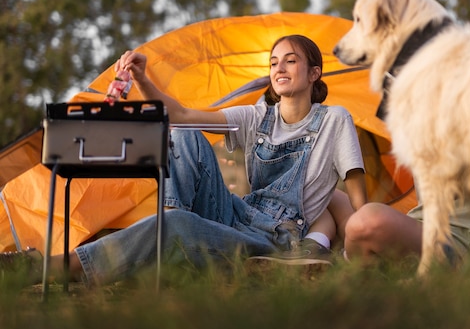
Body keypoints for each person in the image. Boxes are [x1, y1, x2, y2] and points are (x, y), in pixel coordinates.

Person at [0, 34, 367, 286]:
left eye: (291, 61)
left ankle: (55, 267)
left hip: (275, 238)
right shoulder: (257, 117)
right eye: (273, 63)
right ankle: (171, 235)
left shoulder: (334, 120)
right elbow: (181, 116)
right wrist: (142, 78)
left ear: (314, 73)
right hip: (238, 215)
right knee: (183, 135)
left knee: (176, 226)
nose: (279, 68)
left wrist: (363, 241)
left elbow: (355, 190)